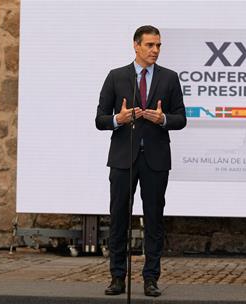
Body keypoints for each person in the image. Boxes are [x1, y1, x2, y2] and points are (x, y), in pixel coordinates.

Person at [95, 25, 186, 297]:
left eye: (158, 45)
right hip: (124, 159)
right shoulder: (116, 77)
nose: (155, 50)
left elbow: (181, 118)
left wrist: (164, 119)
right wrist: (117, 120)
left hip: (156, 160)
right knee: (119, 218)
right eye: (150, 45)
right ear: (136, 46)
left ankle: (151, 279)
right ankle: (117, 277)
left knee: (154, 220)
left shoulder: (169, 78)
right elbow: (99, 119)